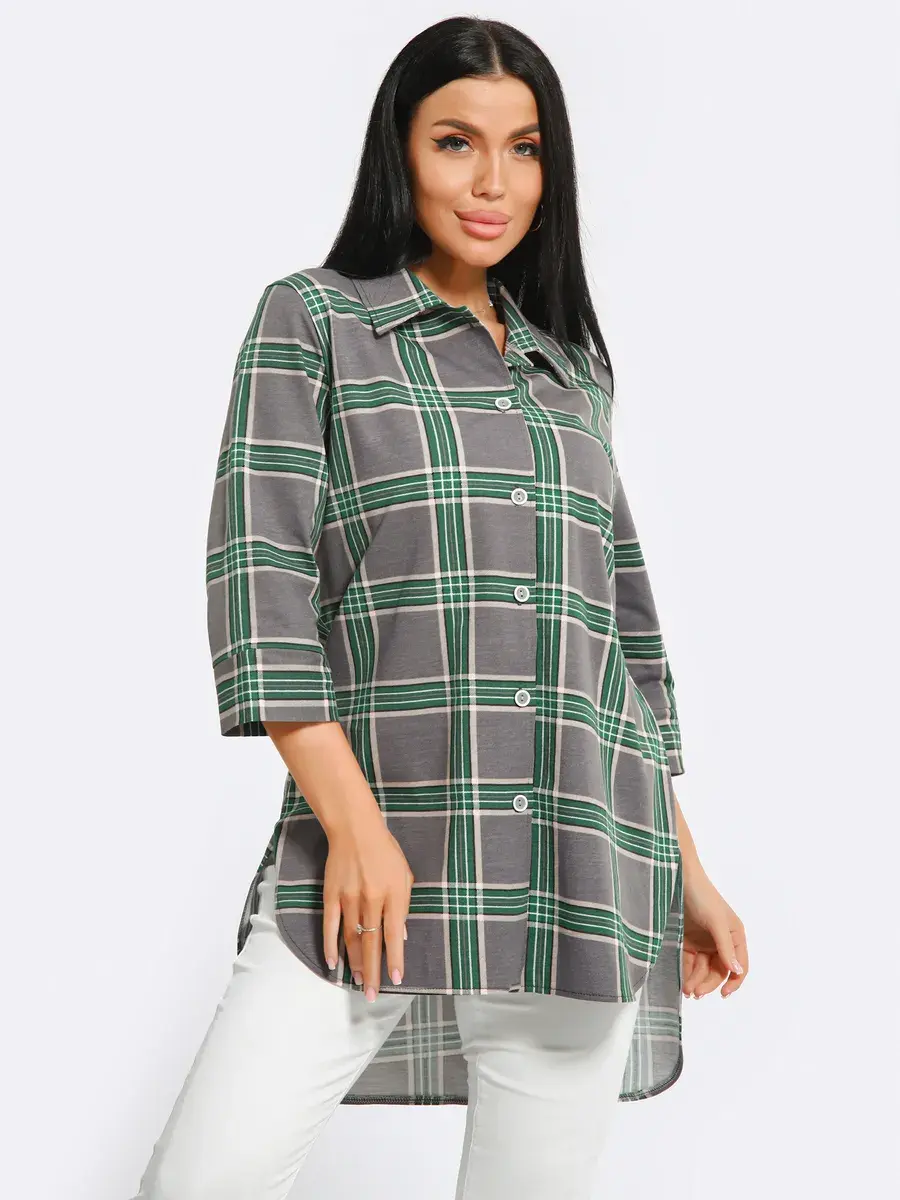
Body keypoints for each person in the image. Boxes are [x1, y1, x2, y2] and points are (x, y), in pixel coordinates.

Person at [133, 15, 749, 1200]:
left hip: (581, 861)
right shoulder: (317, 324)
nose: (493, 183)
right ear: (400, 153)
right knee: (203, 1179)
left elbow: (616, 641)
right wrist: (355, 828)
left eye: (525, 149)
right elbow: (262, 586)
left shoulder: (570, 373)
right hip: (374, 845)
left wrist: (686, 871)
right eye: (456, 142)